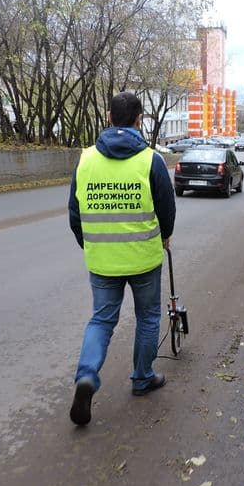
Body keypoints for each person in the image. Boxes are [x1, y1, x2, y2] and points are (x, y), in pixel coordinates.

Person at [67, 92, 176, 426]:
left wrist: (90, 244)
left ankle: (86, 376)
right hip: (143, 258)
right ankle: (142, 377)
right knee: (147, 317)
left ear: (109, 117)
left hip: (102, 261)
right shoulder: (151, 159)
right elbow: (166, 207)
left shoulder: (85, 159)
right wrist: (165, 235)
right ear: (138, 118)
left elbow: (74, 213)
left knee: (101, 320)